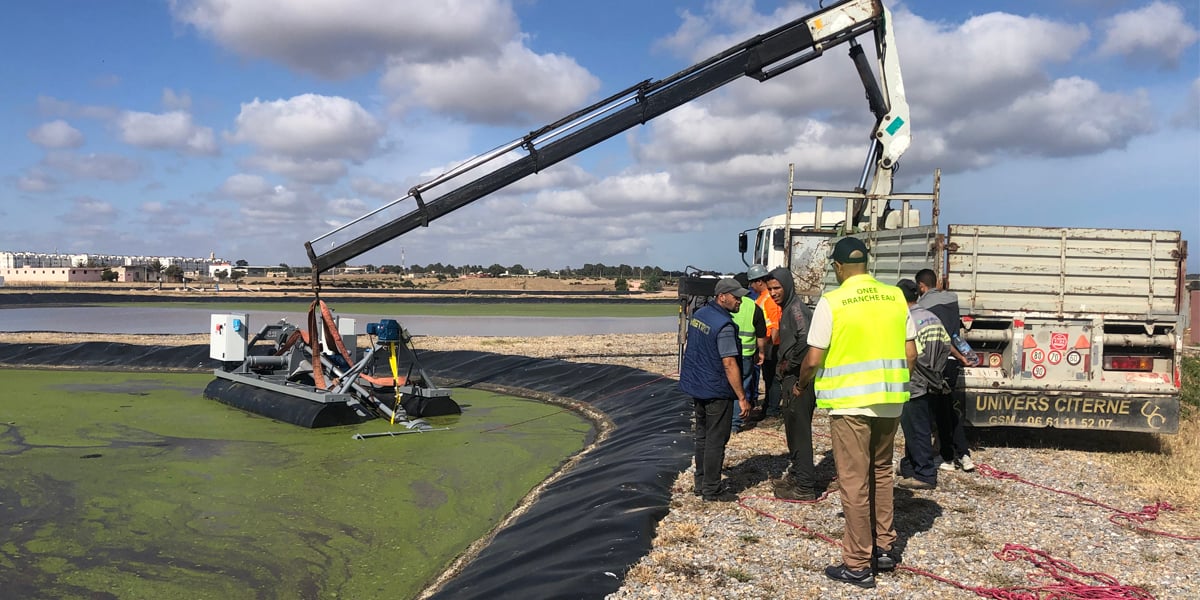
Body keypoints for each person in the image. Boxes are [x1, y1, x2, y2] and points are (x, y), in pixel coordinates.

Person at [798, 237, 916, 589]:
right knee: (881, 472)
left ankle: (857, 563)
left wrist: (803, 383)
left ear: (837, 267)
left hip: (851, 406)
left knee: (853, 480)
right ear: (868, 262)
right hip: (890, 402)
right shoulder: (896, 297)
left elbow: (814, 359)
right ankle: (884, 547)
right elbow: (911, 354)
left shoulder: (833, 301)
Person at [679, 278, 753, 502]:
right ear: (722, 297)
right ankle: (712, 488)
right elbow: (729, 363)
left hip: (698, 385)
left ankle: (701, 483)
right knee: (716, 439)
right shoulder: (725, 326)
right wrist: (742, 397)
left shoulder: (700, 315)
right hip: (716, 389)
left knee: (701, 436)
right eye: (736, 297)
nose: (740, 300)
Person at [914, 268, 976, 473]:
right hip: (953, 360)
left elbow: (941, 338)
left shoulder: (922, 307)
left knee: (939, 412)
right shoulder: (952, 298)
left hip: (937, 361)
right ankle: (963, 455)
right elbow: (952, 334)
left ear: (921, 287)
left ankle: (949, 457)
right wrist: (962, 357)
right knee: (950, 409)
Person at [895, 279, 952, 490]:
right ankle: (909, 466)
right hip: (932, 381)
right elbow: (947, 345)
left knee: (916, 429)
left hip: (914, 380)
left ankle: (925, 473)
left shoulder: (907, 319)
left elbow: (911, 354)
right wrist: (935, 370)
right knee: (920, 427)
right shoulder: (931, 317)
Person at [766, 266, 818, 501]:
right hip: (790, 378)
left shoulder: (796, 309)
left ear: (787, 286)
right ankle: (797, 475)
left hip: (800, 380)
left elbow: (806, 340)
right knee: (792, 431)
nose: (773, 293)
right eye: (770, 289)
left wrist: (790, 364)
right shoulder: (787, 308)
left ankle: (805, 486)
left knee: (800, 432)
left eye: (777, 288)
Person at [729, 274, 767, 433]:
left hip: (728, 353)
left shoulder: (727, 305)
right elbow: (761, 334)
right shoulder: (753, 307)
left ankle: (724, 421)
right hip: (746, 354)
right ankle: (735, 424)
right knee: (742, 387)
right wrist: (762, 352)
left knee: (728, 385)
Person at [747, 265, 782, 418]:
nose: (751, 286)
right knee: (767, 379)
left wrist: (769, 347)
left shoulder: (769, 299)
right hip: (767, 343)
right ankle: (768, 407)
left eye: (752, 283)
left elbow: (775, 325)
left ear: (759, 281)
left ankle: (772, 411)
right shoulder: (762, 298)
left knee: (773, 379)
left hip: (772, 344)